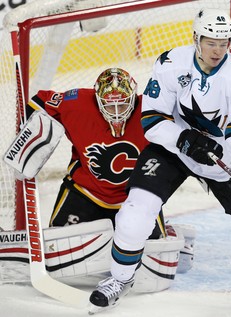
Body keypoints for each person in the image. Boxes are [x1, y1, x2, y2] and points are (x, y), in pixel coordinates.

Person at [88, 9, 231, 314]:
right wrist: (183, 139)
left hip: (220, 157)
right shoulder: (170, 64)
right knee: (134, 215)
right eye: (210, 42)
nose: (217, 50)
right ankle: (120, 279)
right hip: (172, 149)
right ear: (195, 39)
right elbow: (151, 119)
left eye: (223, 42)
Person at [8, 67, 194, 286]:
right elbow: (41, 101)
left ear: (134, 97)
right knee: (57, 249)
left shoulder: (151, 109)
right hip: (85, 193)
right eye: (109, 104)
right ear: (97, 99)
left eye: (123, 103)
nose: (116, 111)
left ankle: (172, 232)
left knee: (154, 254)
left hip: (135, 197)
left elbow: (188, 124)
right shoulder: (76, 103)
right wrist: (28, 133)